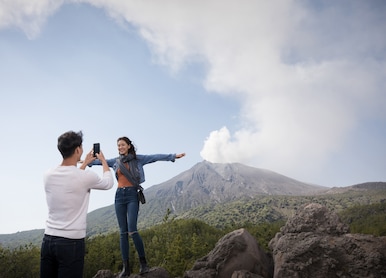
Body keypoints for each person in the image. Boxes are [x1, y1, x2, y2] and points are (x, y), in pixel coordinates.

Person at [88, 136, 185, 277]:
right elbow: (98, 162)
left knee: (132, 230)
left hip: (132, 195)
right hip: (119, 196)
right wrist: (87, 161)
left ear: (128, 146)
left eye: (122, 145)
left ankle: (143, 265)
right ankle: (125, 269)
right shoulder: (115, 162)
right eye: (118, 146)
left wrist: (172, 156)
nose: (120, 147)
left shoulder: (138, 159)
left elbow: (154, 157)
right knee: (123, 233)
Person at [40, 131, 114, 278]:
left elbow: (72, 180)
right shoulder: (85, 177)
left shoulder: (48, 175)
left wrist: (85, 163)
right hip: (71, 243)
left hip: (48, 240)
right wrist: (104, 161)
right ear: (78, 150)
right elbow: (108, 183)